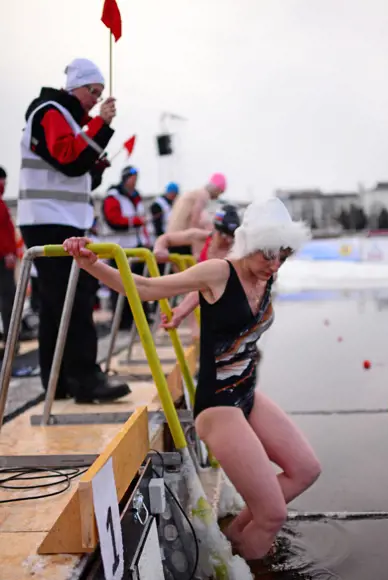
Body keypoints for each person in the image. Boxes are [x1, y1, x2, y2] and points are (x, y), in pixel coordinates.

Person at [63, 197, 320, 560]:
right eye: (268, 255)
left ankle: (235, 537)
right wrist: (92, 265)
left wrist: (187, 311)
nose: (275, 264)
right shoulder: (219, 272)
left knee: (306, 471)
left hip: (246, 393)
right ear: (249, 244)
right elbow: (147, 288)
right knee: (274, 514)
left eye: (284, 255)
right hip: (218, 407)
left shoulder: (266, 276)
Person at [18, 57, 130, 402]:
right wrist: (101, 125)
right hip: (48, 220)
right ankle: (85, 377)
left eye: (100, 93)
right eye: (92, 92)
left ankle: (60, 379)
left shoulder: (69, 119)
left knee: (58, 303)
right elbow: (68, 159)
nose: (96, 99)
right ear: (76, 87)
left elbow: (78, 169)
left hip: (56, 220)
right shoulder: (51, 111)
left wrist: (95, 160)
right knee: (76, 296)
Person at [154, 204, 241, 332]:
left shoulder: (236, 250)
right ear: (215, 230)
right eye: (224, 235)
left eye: (232, 236)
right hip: (198, 292)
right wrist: (159, 249)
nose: (228, 240)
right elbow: (166, 238)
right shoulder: (199, 237)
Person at [102, 165, 149, 329]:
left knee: (140, 285)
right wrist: (135, 222)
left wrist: (145, 239)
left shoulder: (136, 197)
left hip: (136, 248)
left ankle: (140, 318)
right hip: (119, 249)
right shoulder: (113, 197)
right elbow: (113, 220)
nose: (135, 181)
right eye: (132, 178)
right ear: (125, 178)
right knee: (120, 286)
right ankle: (122, 322)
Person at [166, 173, 227, 258]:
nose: (218, 197)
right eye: (220, 193)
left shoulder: (192, 193)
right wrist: (196, 248)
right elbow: (195, 220)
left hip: (171, 236)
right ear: (217, 189)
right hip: (181, 239)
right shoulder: (204, 195)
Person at [0, 167, 19, 357]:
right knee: (8, 299)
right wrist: (8, 253)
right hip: (2, 258)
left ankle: (10, 338)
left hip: (4, 256)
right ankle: (10, 339)